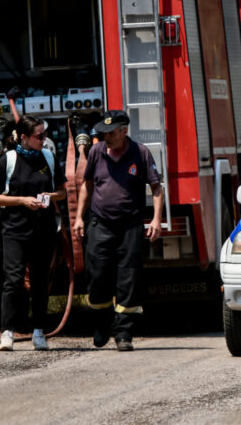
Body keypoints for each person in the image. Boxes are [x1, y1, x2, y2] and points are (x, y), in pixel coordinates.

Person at [71, 110, 163, 352]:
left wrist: (156, 220)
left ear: (124, 131)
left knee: (128, 280)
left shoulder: (140, 153)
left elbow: (156, 187)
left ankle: (124, 333)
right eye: (104, 133)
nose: (107, 137)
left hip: (130, 226)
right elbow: (87, 186)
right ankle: (102, 324)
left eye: (111, 133)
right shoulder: (96, 152)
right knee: (97, 277)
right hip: (100, 224)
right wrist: (79, 217)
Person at [0, 115, 65, 351]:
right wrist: (22, 201)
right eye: (39, 136)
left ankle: (39, 332)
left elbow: (62, 191)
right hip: (15, 230)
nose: (44, 139)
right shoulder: (8, 160)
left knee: (41, 282)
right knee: (13, 281)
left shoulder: (49, 158)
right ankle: (7, 332)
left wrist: (50, 197)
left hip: (43, 231)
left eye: (45, 135)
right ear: (23, 137)